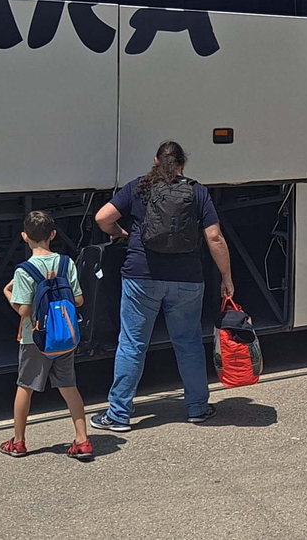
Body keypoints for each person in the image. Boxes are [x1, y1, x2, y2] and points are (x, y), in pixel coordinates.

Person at [89, 140, 235, 432]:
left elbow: (102, 218)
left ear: (155, 160)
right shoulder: (197, 191)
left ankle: (118, 415)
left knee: (132, 345)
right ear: (183, 164)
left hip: (141, 277)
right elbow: (214, 237)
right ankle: (197, 408)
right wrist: (226, 277)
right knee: (189, 344)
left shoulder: (138, 188)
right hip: (186, 280)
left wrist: (122, 234)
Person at [1, 211, 95, 461]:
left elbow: (24, 310)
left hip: (36, 339)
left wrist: (7, 293)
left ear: (24, 237)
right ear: (53, 235)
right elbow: (78, 299)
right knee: (69, 386)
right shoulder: (66, 263)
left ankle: (18, 442)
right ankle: (82, 440)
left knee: (25, 387)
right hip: (64, 336)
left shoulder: (24, 270)